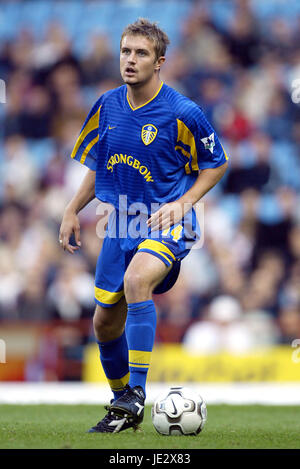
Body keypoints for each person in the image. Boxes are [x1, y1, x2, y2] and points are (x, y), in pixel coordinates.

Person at [59, 18, 228, 433]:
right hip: (119, 225)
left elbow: (217, 163)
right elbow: (97, 165)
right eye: (125, 51)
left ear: (159, 62)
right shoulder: (107, 104)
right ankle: (122, 405)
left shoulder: (184, 112)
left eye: (141, 54)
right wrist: (70, 210)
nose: (130, 60)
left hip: (169, 221)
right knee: (103, 324)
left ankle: (136, 391)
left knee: (138, 281)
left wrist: (184, 203)